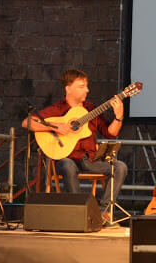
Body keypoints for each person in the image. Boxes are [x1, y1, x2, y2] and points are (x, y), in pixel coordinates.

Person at [22, 69, 128, 227]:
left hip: (90, 160)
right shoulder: (57, 109)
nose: (87, 89)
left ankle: (102, 213)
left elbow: (111, 133)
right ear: (68, 88)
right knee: (67, 166)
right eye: (81, 86)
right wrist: (56, 127)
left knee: (120, 166)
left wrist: (119, 116)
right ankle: (80, 213)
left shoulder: (92, 110)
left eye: (86, 86)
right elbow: (27, 122)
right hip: (67, 158)